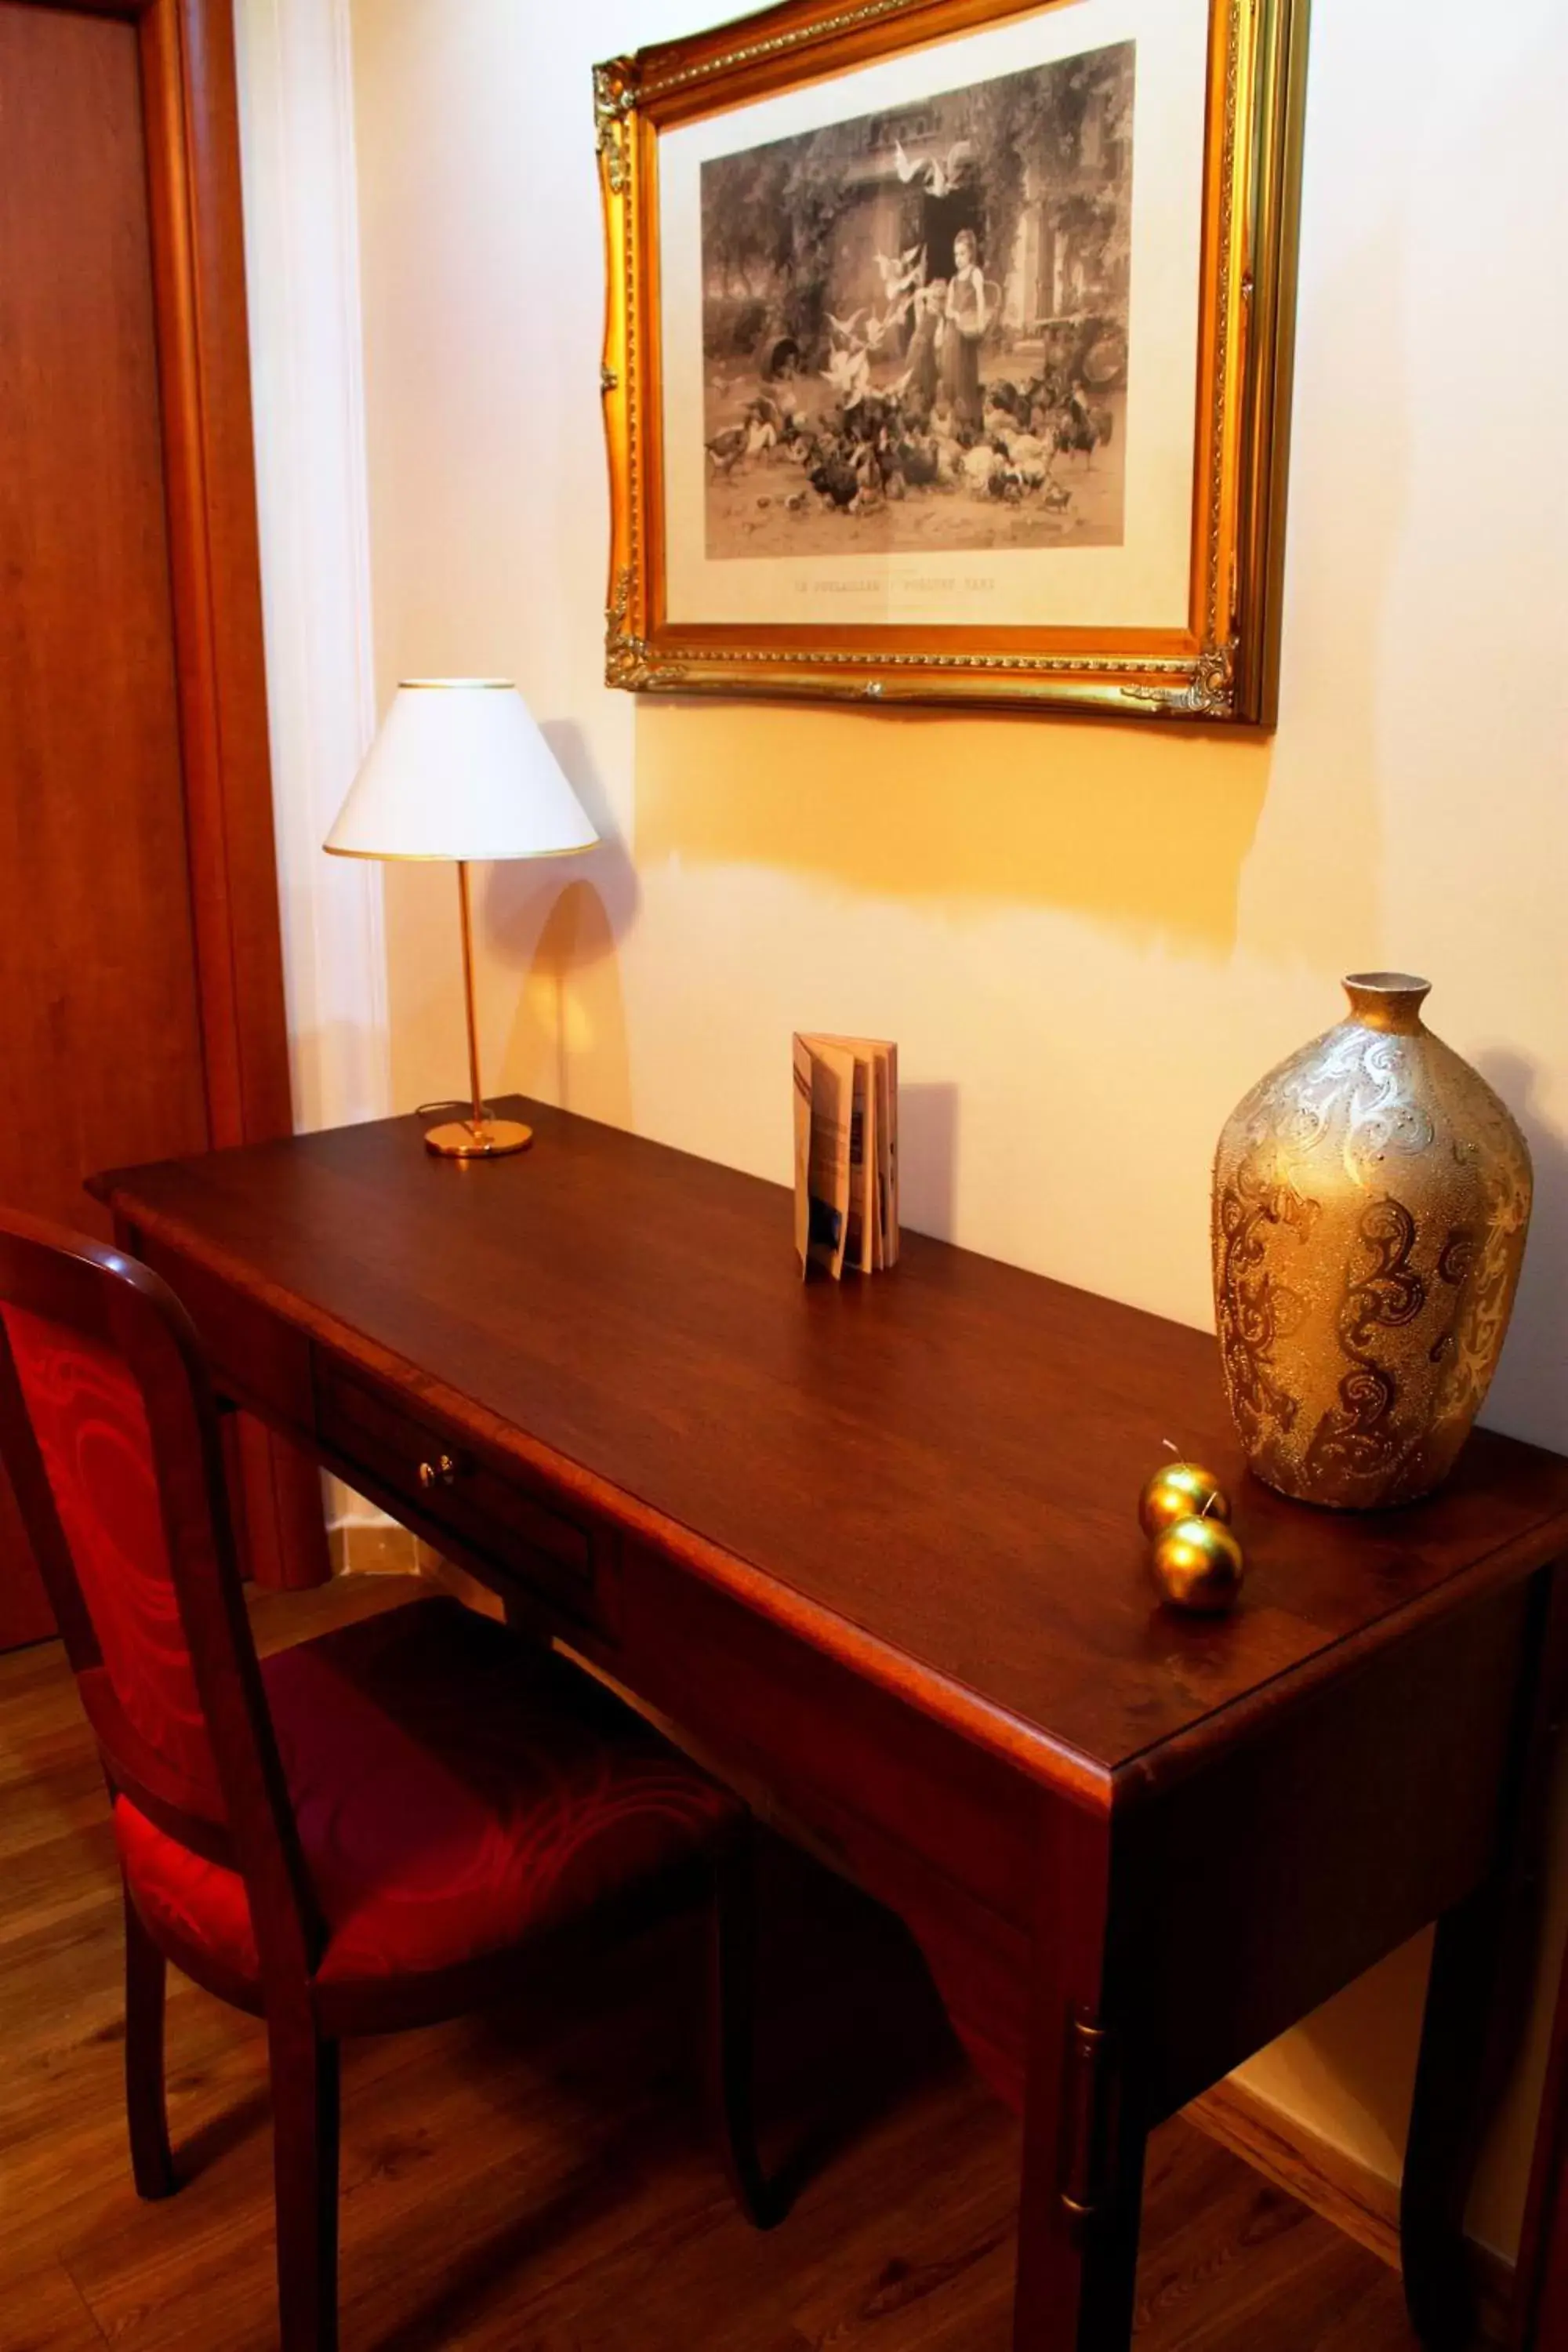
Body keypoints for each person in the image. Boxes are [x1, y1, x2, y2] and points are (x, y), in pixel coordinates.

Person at [942, 230, 988, 424]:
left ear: (971, 253)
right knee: (953, 370)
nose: (959, 259)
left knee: (966, 373)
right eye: (956, 254)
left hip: (968, 331)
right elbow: (948, 307)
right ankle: (956, 417)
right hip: (954, 331)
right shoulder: (954, 280)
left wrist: (980, 322)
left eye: (962, 254)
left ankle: (970, 417)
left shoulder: (975, 274)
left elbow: (980, 299)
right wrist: (954, 314)